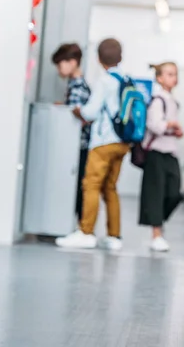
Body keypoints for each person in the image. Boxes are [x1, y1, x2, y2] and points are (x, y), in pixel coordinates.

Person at [56, 38, 130, 250]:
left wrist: (77, 110)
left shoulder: (105, 81)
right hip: (123, 142)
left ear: (98, 59)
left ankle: (86, 232)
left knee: (91, 185)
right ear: (121, 57)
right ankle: (114, 236)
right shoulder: (126, 78)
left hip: (103, 142)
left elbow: (90, 112)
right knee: (111, 188)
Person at [139, 62, 184, 252]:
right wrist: (171, 124)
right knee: (155, 195)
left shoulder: (171, 100)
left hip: (170, 152)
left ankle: (158, 222)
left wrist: (175, 130)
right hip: (156, 152)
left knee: (174, 193)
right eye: (169, 74)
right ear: (159, 78)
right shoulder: (157, 99)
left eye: (175, 74)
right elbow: (155, 125)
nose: (173, 77)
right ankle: (156, 233)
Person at [51, 43, 91, 222]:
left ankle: (81, 226)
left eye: (61, 64)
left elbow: (80, 117)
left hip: (79, 145)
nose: (59, 69)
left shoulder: (78, 87)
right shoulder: (77, 85)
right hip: (81, 145)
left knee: (78, 187)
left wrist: (67, 112)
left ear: (73, 62)